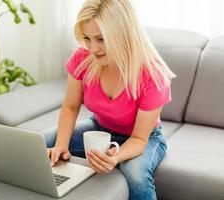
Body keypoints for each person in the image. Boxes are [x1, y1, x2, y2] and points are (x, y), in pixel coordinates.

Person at [44, 0, 176, 199]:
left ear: (124, 34)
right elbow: (70, 107)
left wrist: (115, 157)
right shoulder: (83, 57)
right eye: (87, 38)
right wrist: (61, 145)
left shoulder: (153, 75)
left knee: (135, 174)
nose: (92, 48)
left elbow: (139, 139)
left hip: (144, 138)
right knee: (43, 142)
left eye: (101, 39)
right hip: (99, 129)